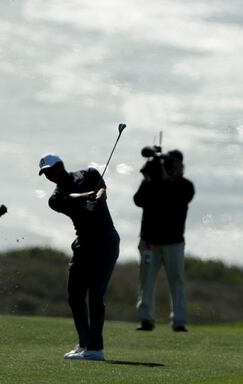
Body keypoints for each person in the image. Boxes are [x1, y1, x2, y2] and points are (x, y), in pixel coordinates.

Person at [39, 153, 120, 362]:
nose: (49, 176)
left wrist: (100, 195)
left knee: (95, 296)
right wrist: (87, 196)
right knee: (74, 295)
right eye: (45, 174)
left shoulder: (89, 173)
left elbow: (102, 188)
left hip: (106, 242)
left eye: (51, 170)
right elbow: (70, 199)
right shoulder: (55, 199)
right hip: (83, 244)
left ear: (61, 166)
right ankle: (84, 344)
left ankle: (95, 348)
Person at [133, 149, 194, 332]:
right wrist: (150, 179)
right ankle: (146, 319)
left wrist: (161, 178)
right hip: (150, 241)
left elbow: (173, 197)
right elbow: (138, 200)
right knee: (146, 281)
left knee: (177, 281)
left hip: (173, 242)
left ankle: (179, 320)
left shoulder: (184, 186)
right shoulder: (152, 183)